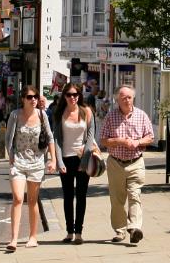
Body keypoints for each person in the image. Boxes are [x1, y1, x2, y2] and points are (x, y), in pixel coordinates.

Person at [2, 86, 58, 252]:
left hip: (37, 162)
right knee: (18, 198)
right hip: (18, 162)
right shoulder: (15, 115)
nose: (33, 100)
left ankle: (33, 236)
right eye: (29, 97)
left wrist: (53, 159)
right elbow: (8, 138)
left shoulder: (42, 115)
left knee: (32, 201)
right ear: (23, 99)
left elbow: (50, 137)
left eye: (35, 97)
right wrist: (11, 155)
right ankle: (13, 239)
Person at [100, 85, 154, 244]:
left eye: (129, 97)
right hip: (116, 163)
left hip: (136, 162)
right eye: (123, 98)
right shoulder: (110, 117)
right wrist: (120, 141)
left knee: (135, 195)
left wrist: (137, 142)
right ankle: (120, 230)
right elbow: (103, 140)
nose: (127, 100)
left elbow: (150, 137)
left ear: (133, 98)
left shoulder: (142, 115)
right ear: (117, 99)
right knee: (117, 200)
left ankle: (135, 228)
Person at [49, 82, 98, 244]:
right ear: (64, 96)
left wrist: (84, 160)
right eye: (69, 95)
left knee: (81, 196)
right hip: (66, 158)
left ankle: (79, 233)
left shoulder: (87, 111)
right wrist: (59, 161)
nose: (72, 98)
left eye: (75, 94)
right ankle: (69, 231)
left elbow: (91, 136)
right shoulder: (59, 113)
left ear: (80, 96)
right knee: (68, 196)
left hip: (83, 158)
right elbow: (56, 138)